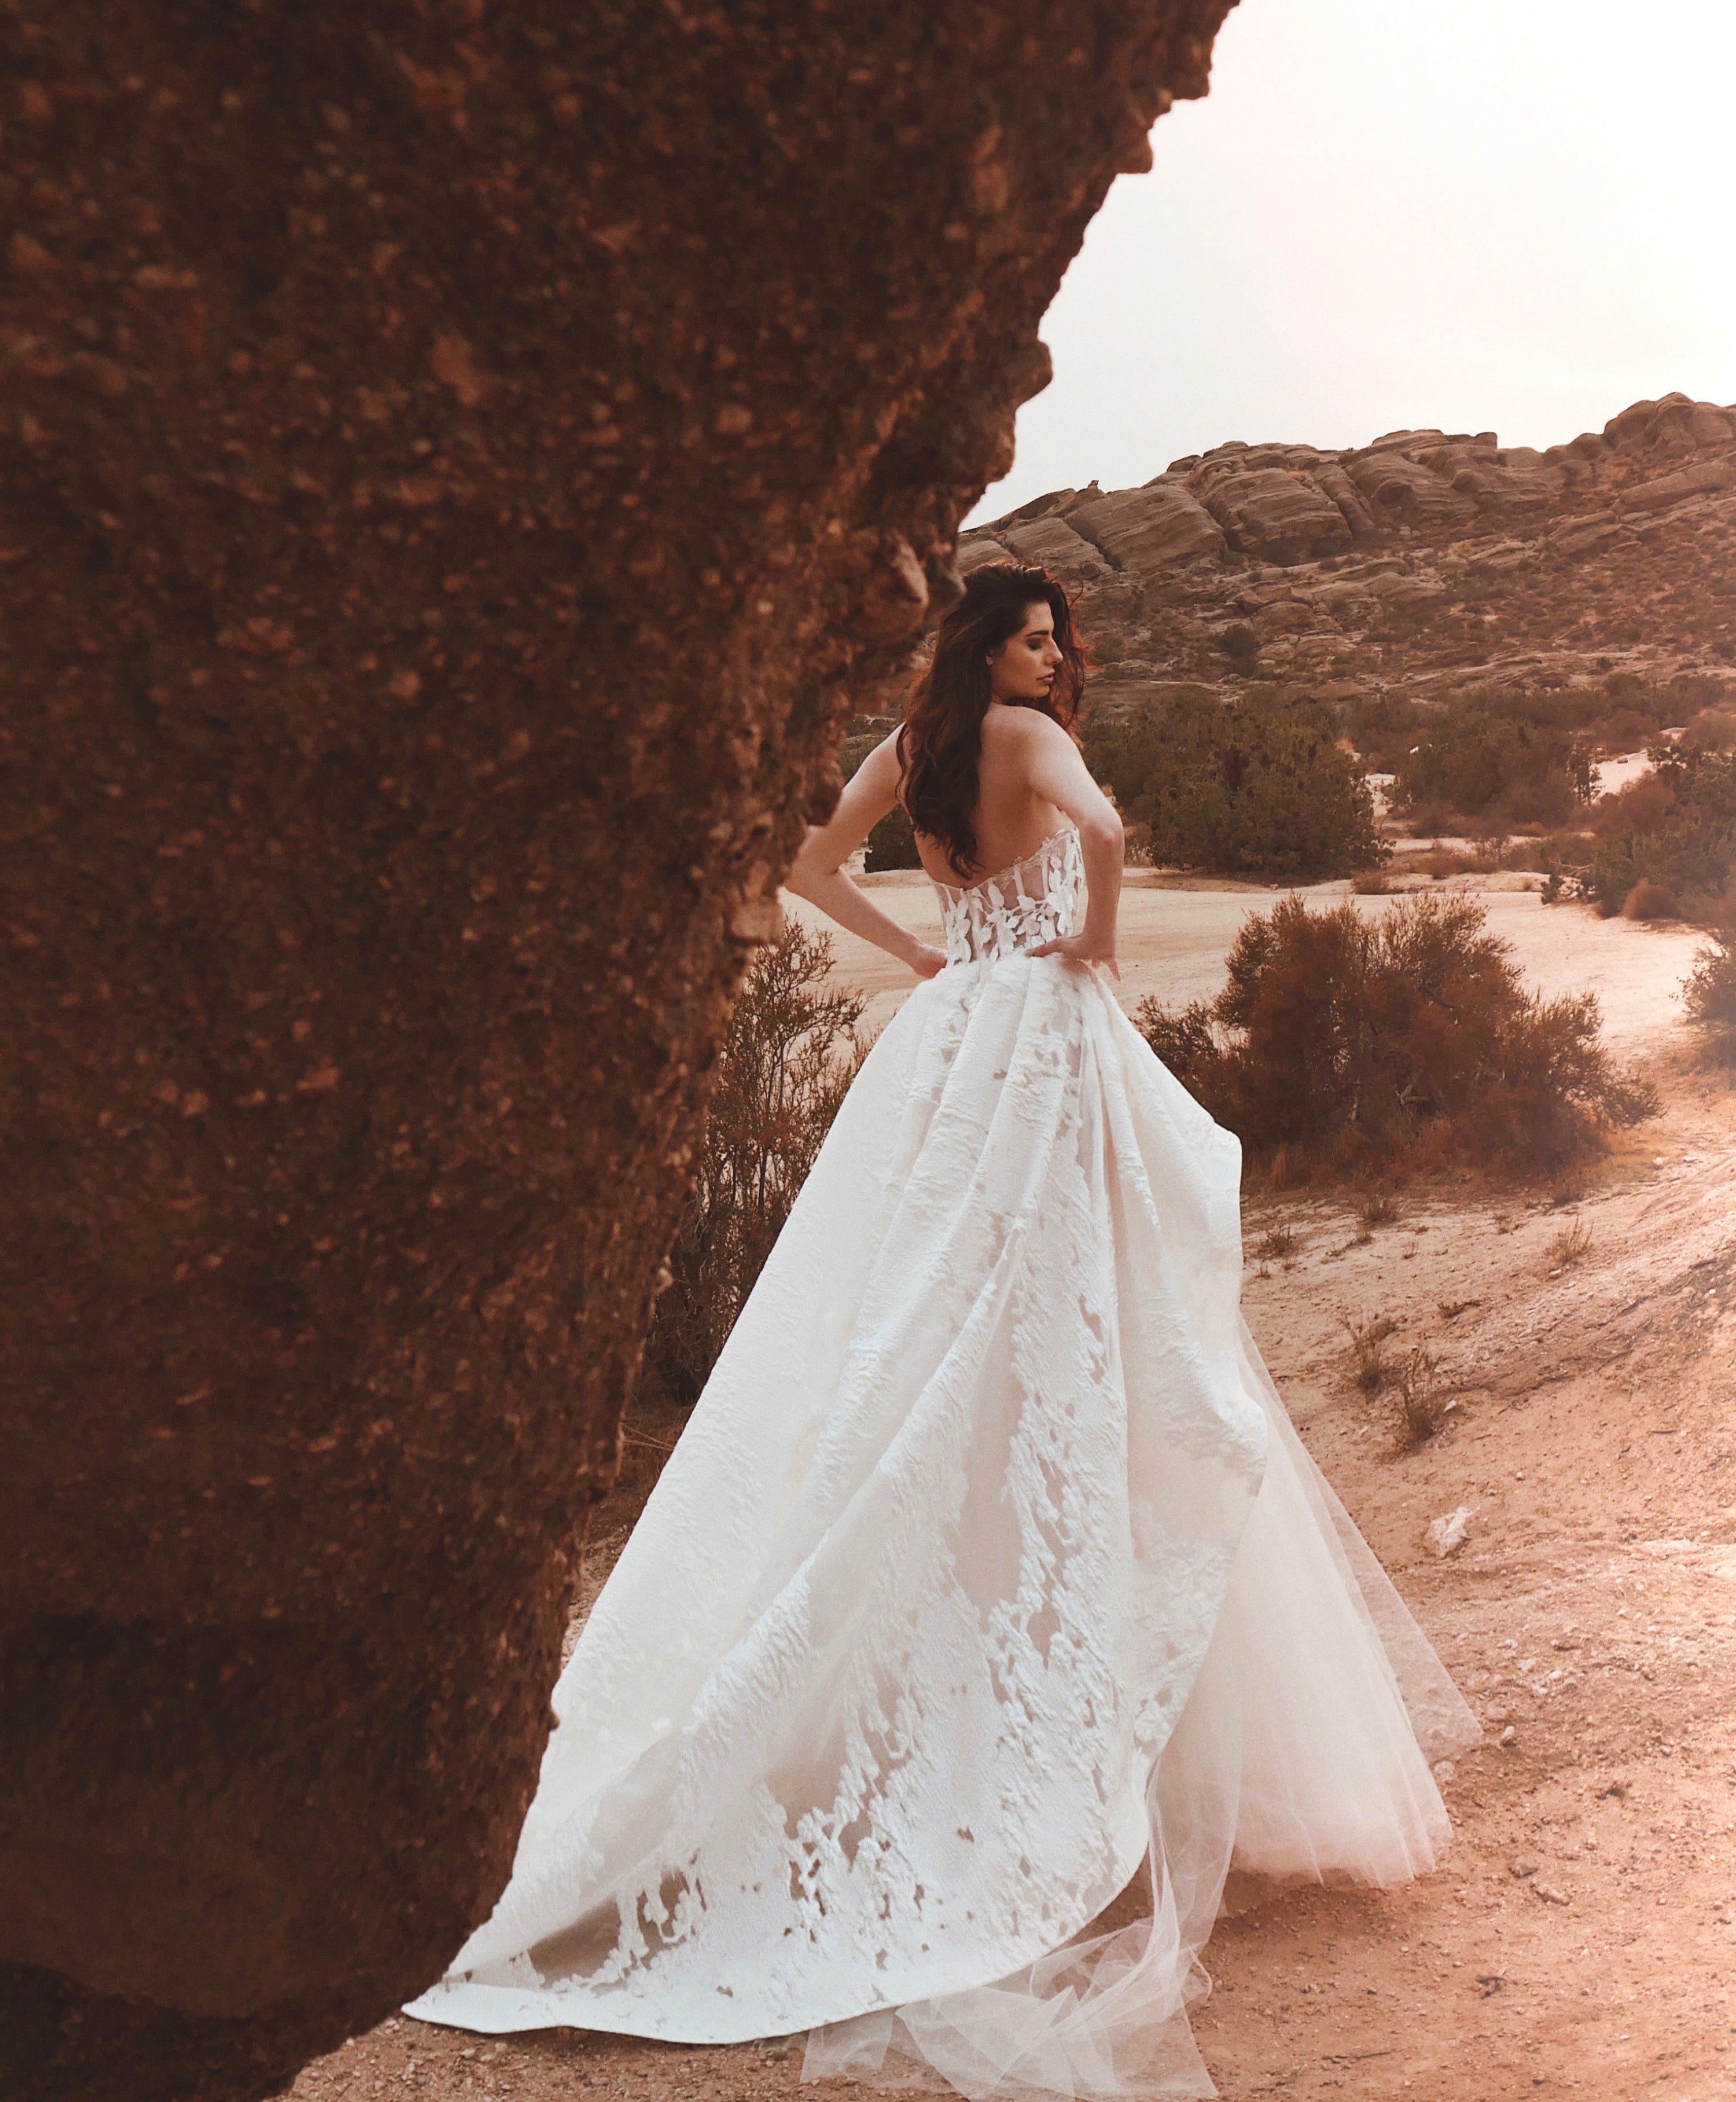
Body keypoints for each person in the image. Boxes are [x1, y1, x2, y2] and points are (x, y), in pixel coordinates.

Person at [405, 561, 1478, 2099]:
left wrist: (921, 955)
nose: (1053, 657)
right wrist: (1092, 945)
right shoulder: (1031, 740)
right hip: (1036, 1041)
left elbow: (804, 861)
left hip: (948, 1039)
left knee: (914, 1336)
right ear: (991, 644)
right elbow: (1107, 834)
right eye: (1034, 637)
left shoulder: (914, 748)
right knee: (1066, 1348)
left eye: (1057, 640)